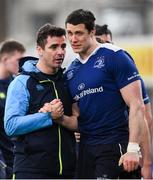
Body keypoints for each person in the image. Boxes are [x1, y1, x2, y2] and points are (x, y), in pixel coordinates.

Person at [46, 9, 152, 179]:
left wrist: (133, 149)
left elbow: (137, 105)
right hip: (86, 150)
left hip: (115, 145)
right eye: (70, 33)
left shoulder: (115, 56)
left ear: (92, 32)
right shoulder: (71, 71)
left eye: (79, 33)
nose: (73, 39)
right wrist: (57, 117)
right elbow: (77, 120)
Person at [4, 24, 76, 179]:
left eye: (63, 46)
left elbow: (78, 120)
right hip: (31, 171)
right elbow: (11, 125)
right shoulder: (22, 82)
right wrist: (47, 116)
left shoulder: (67, 81)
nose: (60, 52)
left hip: (67, 172)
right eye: (54, 47)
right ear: (39, 50)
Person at [0, 40, 25, 179]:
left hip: (16, 153)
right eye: (18, 60)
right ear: (5, 59)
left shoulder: (16, 84)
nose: (21, 65)